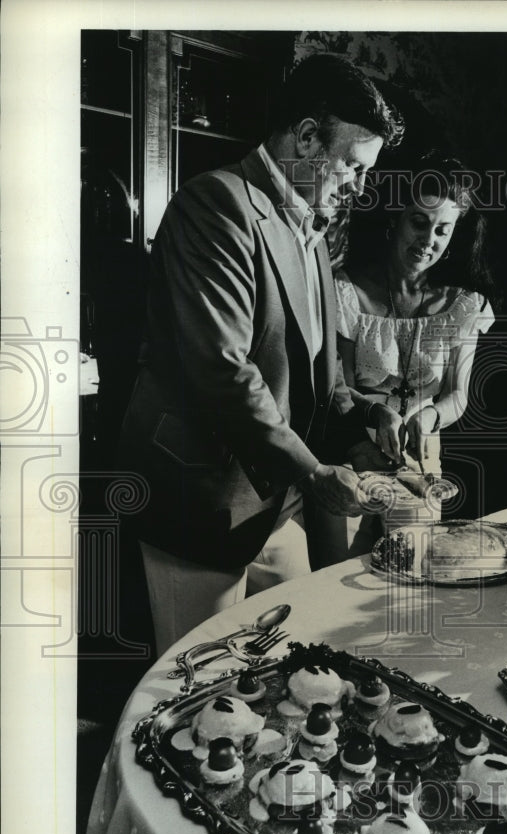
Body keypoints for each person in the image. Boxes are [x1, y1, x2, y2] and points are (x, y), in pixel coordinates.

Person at [116, 54, 403, 655]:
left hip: (274, 507)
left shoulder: (313, 232)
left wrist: (366, 418)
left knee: (298, 654)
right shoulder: (215, 204)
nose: (358, 184)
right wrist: (314, 472)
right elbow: (223, 372)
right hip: (201, 504)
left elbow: (318, 380)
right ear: (305, 136)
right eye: (352, 164)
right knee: (198, 689)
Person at [310, 153, 496, 564]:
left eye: (442, 230)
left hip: (421, 464)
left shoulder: (464, 304)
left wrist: (427, 417)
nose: (429, 239)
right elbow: (335, 388)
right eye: (419, 222)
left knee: (402, 590)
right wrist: (374, 417)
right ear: (394, 218)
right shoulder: (346, 292)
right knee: (334, 588)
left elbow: (458, 396)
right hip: (349, 458)